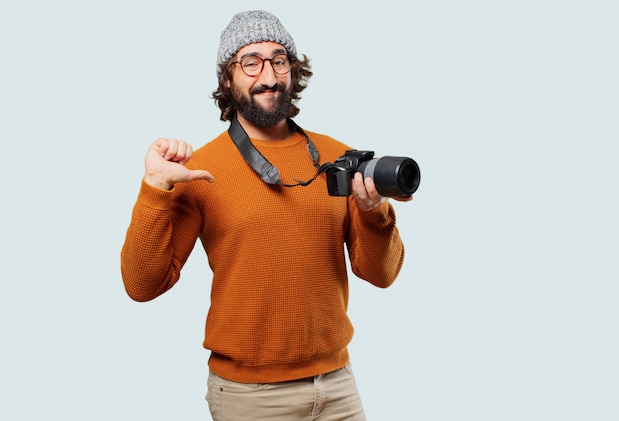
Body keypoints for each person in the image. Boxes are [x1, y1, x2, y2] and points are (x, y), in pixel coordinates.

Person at [121, 9, 412, 421]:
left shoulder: (337, 159)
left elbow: (382, 275)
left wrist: (374, 212)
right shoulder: (199, 169)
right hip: (249, 396)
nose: (269, 76)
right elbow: (141, 285)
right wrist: (155, 188)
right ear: (227, 77)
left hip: (337, 386)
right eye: (251, 62)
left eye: (279, 60)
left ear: (293, 72)